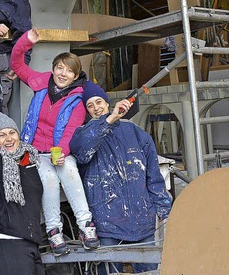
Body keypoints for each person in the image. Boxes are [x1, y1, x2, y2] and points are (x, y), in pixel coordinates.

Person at [11, 28, 99, 255]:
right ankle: (53, 231)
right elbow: (17, 64)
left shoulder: (78, 99)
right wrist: (26, 41)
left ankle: (86, 225)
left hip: (60, 152)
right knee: (49, 183)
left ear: (75, 76)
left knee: (70, 171)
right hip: (34, 152)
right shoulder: (40, 82)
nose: (62, 74)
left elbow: (71, 129)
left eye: (69, 71)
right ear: (53, 69)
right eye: (59, 68)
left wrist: (61, 152)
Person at [70, 82, 171, 275]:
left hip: (143, 222)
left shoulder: (136, 133)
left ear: (107, 103)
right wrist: (108, 121)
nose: (96, 108)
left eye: (99, 102)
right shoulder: (83, 134)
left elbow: (153, 177)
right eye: (90, 105)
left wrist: (165, 209)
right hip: (107, 225)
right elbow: (82, 151)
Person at [0, 75, 44, 275]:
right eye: (1, 135)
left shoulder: (29, 160)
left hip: (30, 243)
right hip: (4, 244)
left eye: (12, 132)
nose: (8, 138)